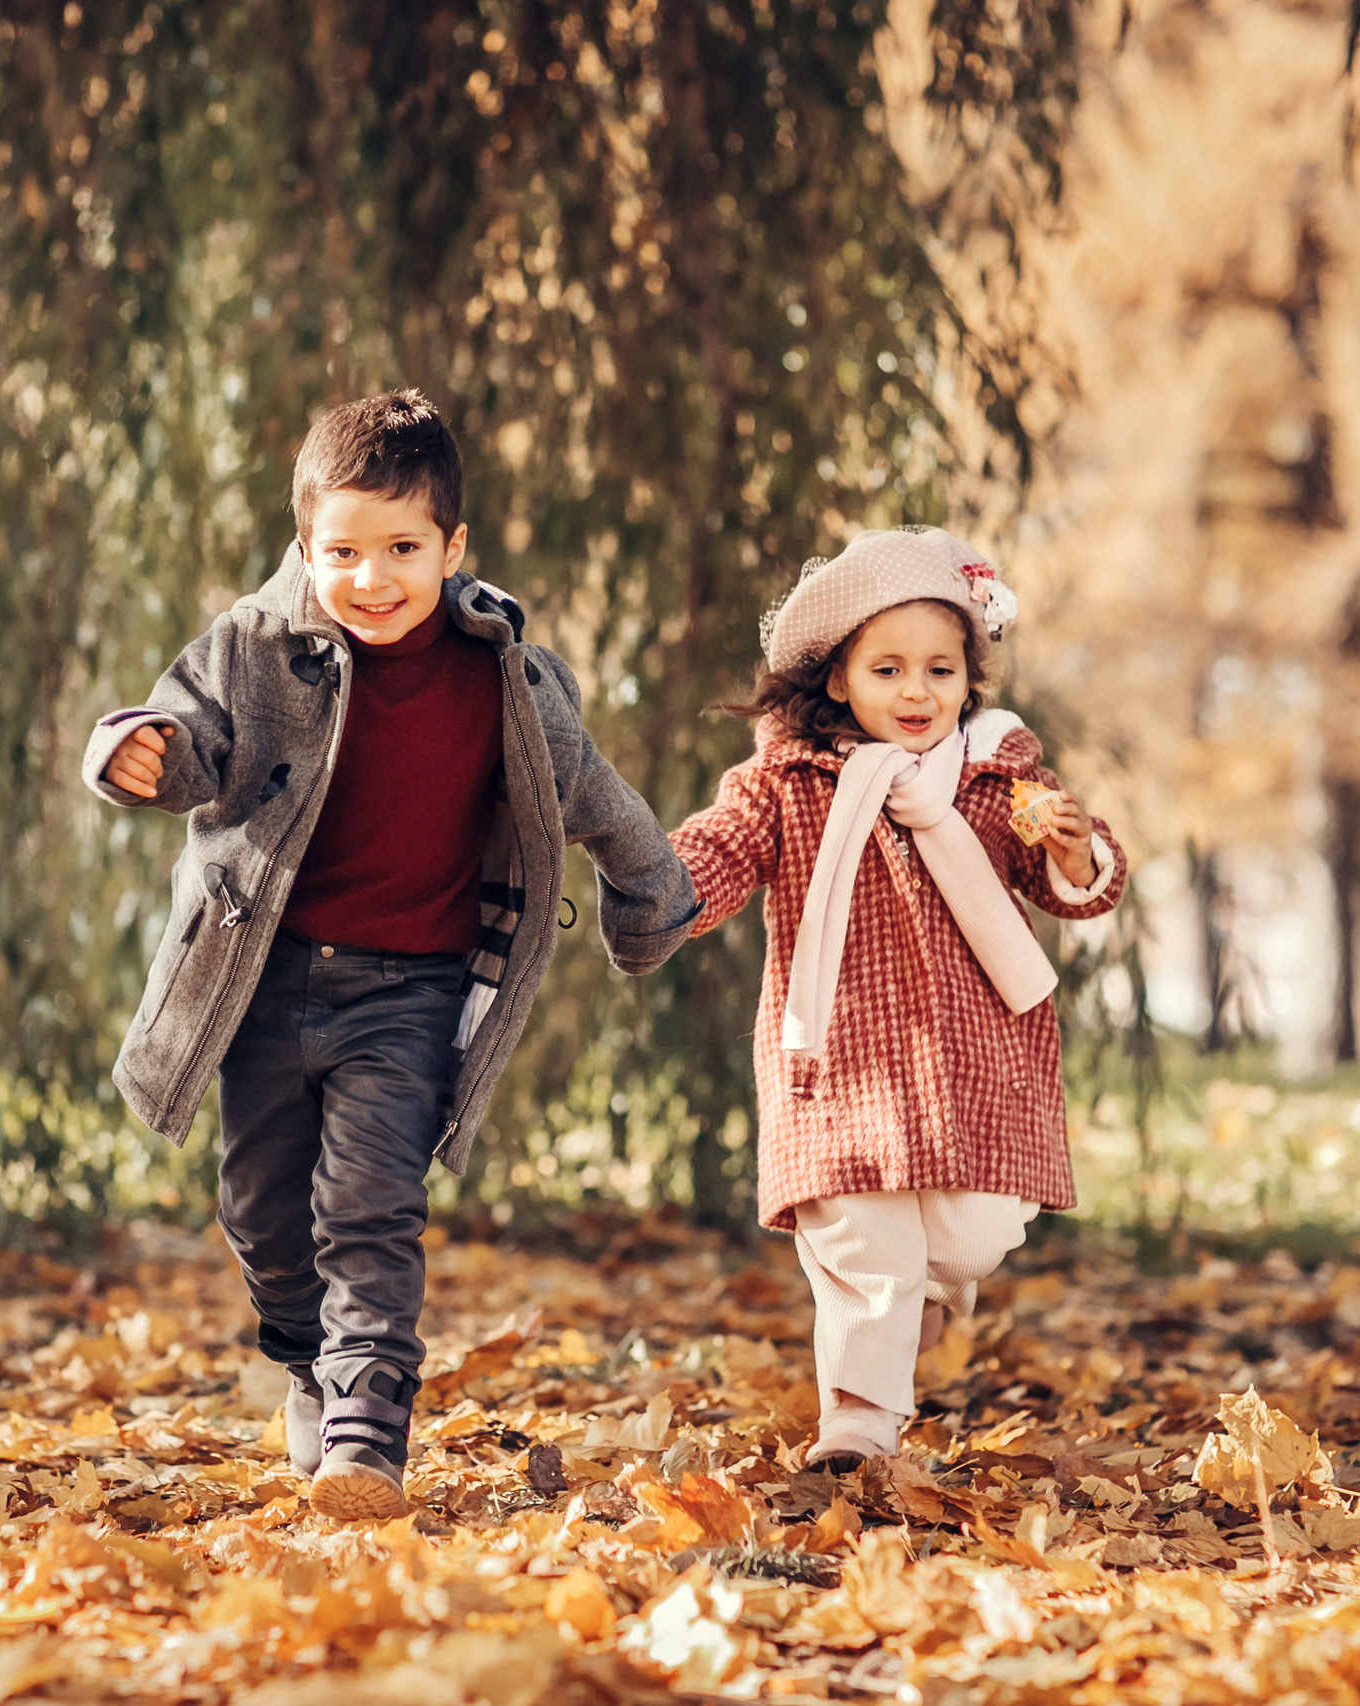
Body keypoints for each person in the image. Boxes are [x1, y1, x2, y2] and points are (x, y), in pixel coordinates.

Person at [82, 390, 697, 1519]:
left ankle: (368, 1428)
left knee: (370, 1205)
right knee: (261, 1209)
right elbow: (188, 739)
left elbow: (594, 797)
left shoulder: (508, 678)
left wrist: (650, 895)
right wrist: (140, 751)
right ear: (304, 546)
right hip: (260, 980)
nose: (372, 578)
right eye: (343, 551)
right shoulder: (253, 647)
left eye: (402, 549)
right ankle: (309, 1355)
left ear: (453, 547)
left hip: (408, 993)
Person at [666, 526, 1127, 1466]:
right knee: (867, 1245)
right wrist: (658, 886)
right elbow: (720, 848)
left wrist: (1074, 852)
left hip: (974, 1060)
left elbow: (1069, 886)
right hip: (842, 1057)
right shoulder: (791, 781)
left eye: (940, 671)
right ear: (840, 679)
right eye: (888, 670)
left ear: (969, 679)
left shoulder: (998, 779)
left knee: (970, 1236)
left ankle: (924, 1293)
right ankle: (860, 1428)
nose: (917, 693)